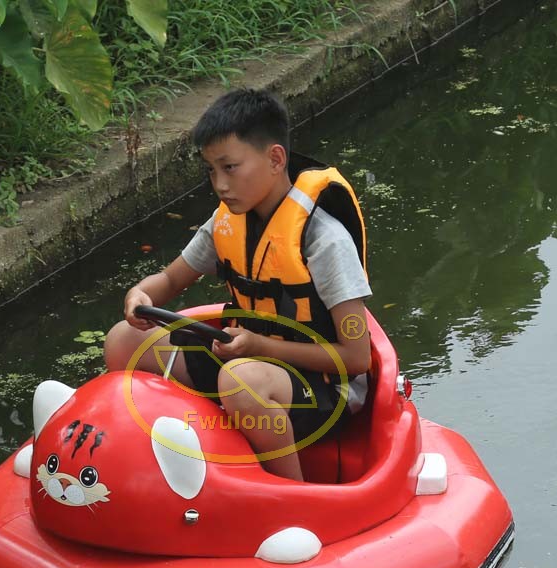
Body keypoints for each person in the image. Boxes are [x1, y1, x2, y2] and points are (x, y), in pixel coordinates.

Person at [104, 88, 372, 481]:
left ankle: (291, 495)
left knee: (240, 380)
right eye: (211, 170)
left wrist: (261, 347)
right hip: (243, 360)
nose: (219, 184)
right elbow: (169, 280)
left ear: (275, 158)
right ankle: (175, 463)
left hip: (324, 389)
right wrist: (139, 294)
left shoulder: (324, 240)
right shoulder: (225, 223)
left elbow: (357, 358)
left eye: (230, 167)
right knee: (122, 339)